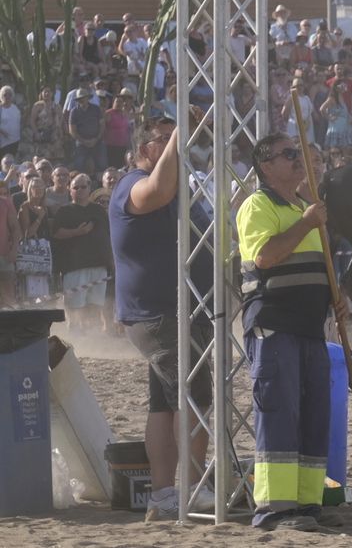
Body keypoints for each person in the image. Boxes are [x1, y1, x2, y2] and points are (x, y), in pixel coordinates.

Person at [109, 118, 214, 520]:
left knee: (165, 405)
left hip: (177, 310)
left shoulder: (177, 190)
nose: (181, 146)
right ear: (148, 149)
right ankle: (193, 487)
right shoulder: (130, 183)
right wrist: (178, 139)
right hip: (159, 314)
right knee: (195, 396)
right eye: (168, 139)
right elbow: (155, 191)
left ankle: (164, 495)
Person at [235, 133, 332, 531]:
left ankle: (307, 502)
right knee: (279, 412)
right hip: (275, 323)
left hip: (310, 326)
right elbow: (266, 255)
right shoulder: (258, 205)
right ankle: (274, 508)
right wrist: (307, 221)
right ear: (265, 165)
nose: (298, 160)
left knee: (313, 414)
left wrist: (334, 295)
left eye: (299, 153)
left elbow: (317, 261)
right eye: (288, 155)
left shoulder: (305, 207)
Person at [54, 173, 112, 333]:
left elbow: (108, 234)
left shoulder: (99, 210)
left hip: (99, 265)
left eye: (83, 187)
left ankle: (93, 340)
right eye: (75, 187)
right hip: (74, 266)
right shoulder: (64, 210)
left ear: (89, 188)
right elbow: (56, 233)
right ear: (69, 190)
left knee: (95, 305)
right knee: (74, 306)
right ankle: (75, 339)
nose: (79, 190)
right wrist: (77, 232)